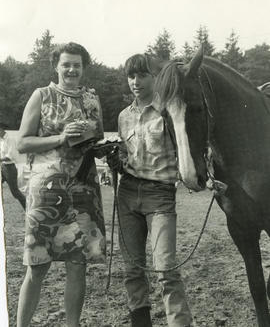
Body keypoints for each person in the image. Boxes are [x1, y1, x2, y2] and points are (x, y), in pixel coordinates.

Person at [16, 42, 106, 327]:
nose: (71, 70)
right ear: (56, 66)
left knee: (77, 265)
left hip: (83, 190)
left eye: (76, 65)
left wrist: (107, 149)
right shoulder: (41, 96)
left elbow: (97, 140)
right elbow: (23, 142)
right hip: (46, 192)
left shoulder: (92, 100)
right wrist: (60, 138)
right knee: (38, 267)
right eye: (66, 64)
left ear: (84, 68)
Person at [109, 54, 193, 327]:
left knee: (166, 268)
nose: (135, 82)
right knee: (132, 270)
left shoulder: (170, 111)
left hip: (160, 196)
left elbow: (187, 149)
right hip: (128, 193)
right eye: (131, 76)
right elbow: (125, 157)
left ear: (155, 77)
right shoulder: (124, 116)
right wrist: (114, 158)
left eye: (142, 75)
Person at [0, 127, 26, 209]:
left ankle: (28, 209)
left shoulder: (10, 139)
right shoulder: (1, 140)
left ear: (1, 130)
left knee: (15, 192)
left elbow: (10, 157)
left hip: (9, 169)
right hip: (3, 167)